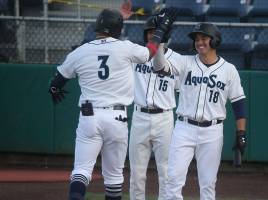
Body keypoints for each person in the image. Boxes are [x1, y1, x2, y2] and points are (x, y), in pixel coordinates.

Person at [48, 8, 176, 200]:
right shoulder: (125, 47)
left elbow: (57, 80)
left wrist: (54, 89)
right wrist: (160, 30)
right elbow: (150, 52)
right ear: (118, 29)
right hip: (117, 118)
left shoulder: (81, 51)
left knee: (82, 171)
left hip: (89, 116)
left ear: (98, 26)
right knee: (114, 177)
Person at [152, 22, 247, 200]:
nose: (199, 42)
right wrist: (160, 43)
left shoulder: (229, 70)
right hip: (184, 128)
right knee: (172, 180)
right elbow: (158, 66)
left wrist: (241, 132)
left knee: (208, 183)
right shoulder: (185, 62)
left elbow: (238, 103)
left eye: (204, 38)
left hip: (212, 131)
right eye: (197, 39)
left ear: (215, 41)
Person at [129, 15, 178, 200]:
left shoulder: (177, 60)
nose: (153, 35)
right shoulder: (136, 56)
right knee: (136, 173)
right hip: (139, 116)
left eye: (157, 32)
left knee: (166, 172)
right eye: (150, 32)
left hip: (164, 119)